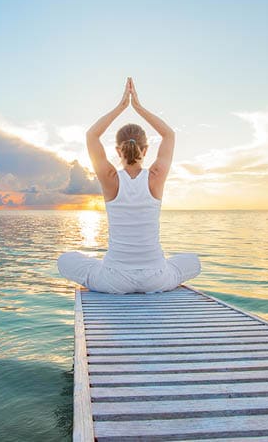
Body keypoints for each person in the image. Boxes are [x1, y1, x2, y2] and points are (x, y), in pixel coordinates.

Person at [57, 77, 201, 294]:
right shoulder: (156, 176)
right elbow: (169, 134)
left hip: (114, 280)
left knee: (65, 260)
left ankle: (105, 266)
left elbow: (91, 135)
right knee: (193, 261)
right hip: (156, 278)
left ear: (118, 151)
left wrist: (122, 106)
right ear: (145, 150)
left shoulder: (110, 178)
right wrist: (138, 107)